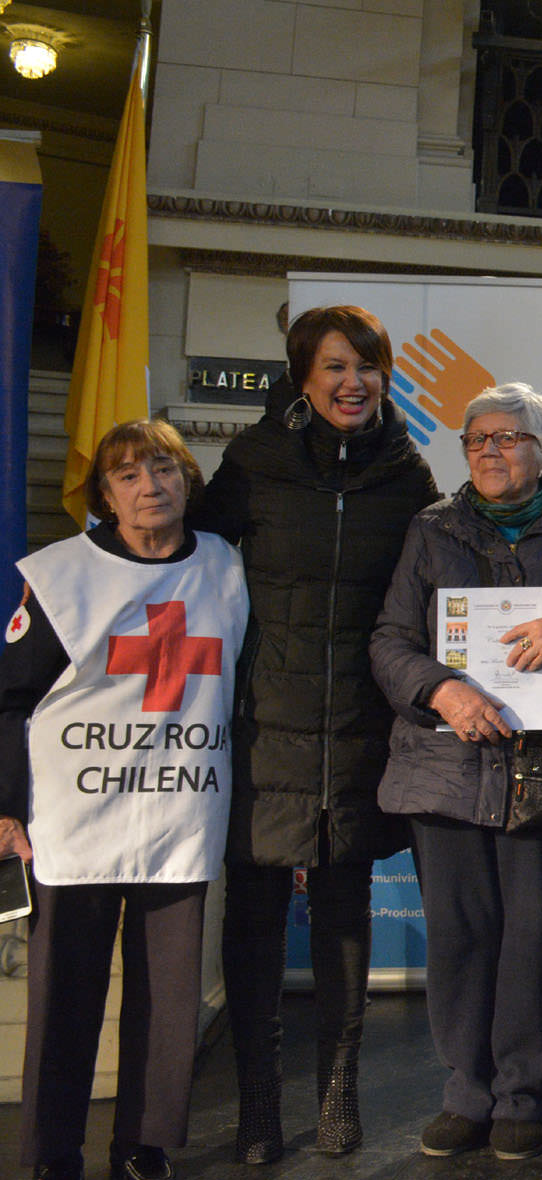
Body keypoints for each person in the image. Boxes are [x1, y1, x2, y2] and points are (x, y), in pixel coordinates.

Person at [369, 383, 542, 1161]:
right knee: (460, 943)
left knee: (535, 943)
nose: (489, 451)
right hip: (447, 767)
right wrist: (441, 690)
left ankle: (523, 1096)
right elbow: (390, 641)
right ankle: (466, 1094)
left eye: (507, 437)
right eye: (476, 439)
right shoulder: (432, 528)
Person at [193, 304, 440, 1162]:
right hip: (263, 727)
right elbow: (181, 560)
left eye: (367, 366)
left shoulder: (407, 473)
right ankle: (259, 1103)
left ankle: (339, 1091)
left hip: (359, 727)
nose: (353, 382)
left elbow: (445, 584)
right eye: (334, 366)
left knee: (342, 918)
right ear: (302, 377)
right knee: (255, 921)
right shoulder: (253, 463)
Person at [1, 421, 249, 1180]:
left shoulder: (226, 567)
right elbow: (10, 699)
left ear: (188, 480)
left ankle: (143, 1146)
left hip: (179, 812)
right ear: (105, 495)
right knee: (64, 997)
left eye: (164, 469)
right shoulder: (60, 576)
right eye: (129, 475)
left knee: (168, 1003)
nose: (150, 487)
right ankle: (53, 1154)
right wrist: (6, 807)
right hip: (74, 820)